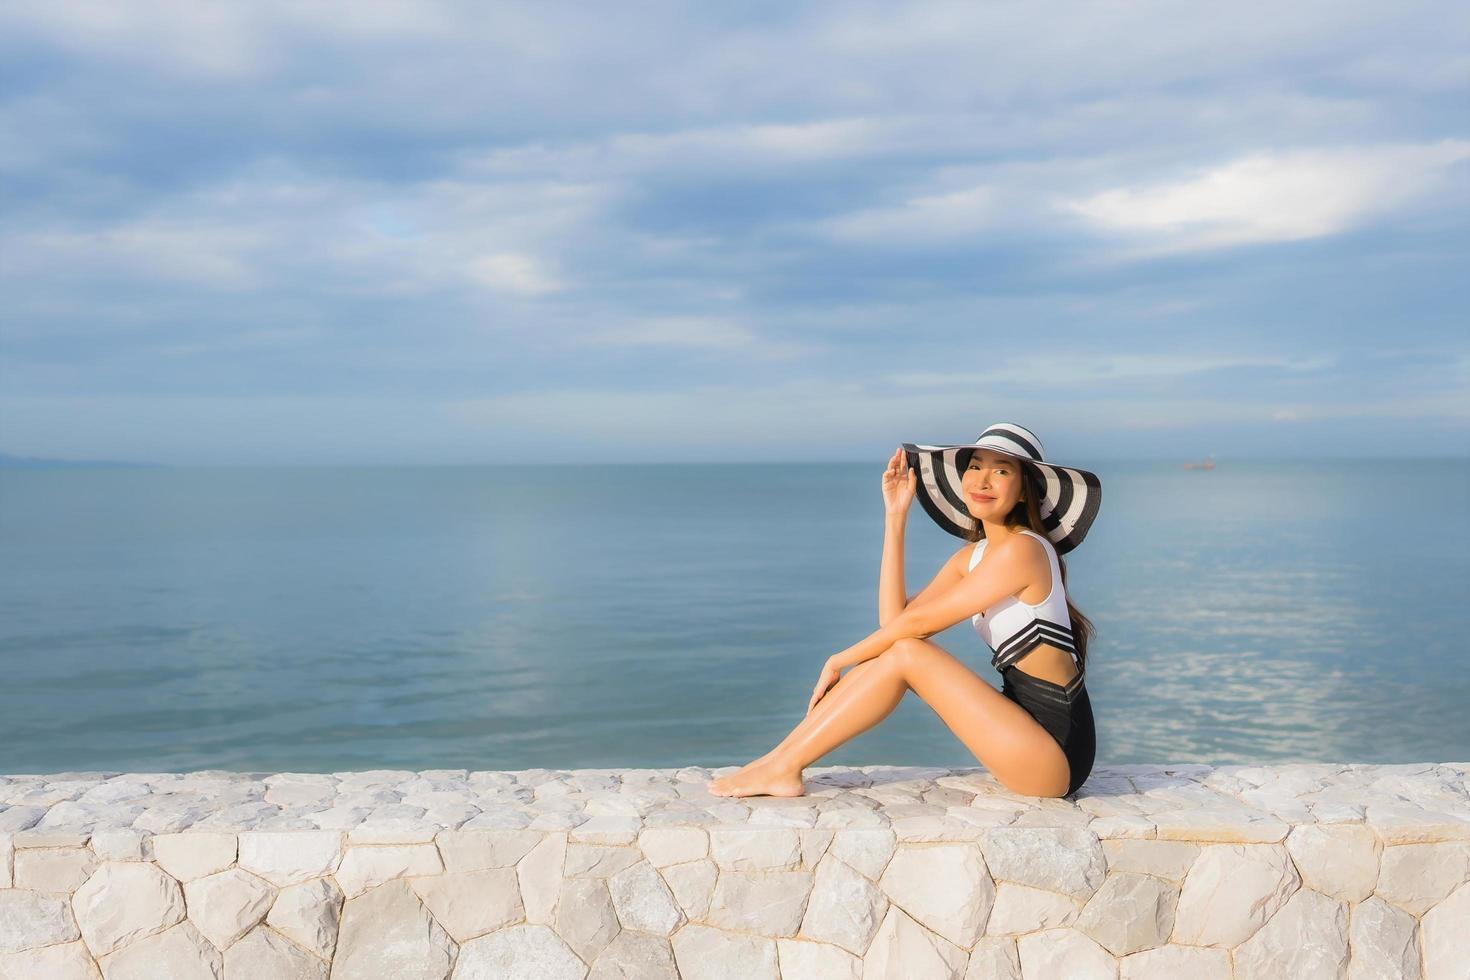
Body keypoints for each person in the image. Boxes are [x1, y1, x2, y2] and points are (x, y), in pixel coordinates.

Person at [707, 422, 1102, 800]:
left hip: (1055, 752)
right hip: (1018, 734)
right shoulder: (972, 557)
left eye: (1001, 471)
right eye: (975, 467)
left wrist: (839, 659)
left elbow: (919, 625)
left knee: (908, 652)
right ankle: (778, 762)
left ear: (1022, 491)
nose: (982, 481)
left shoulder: (1025, 549)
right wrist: (895, 517)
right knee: (902, 648)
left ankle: (783, 766)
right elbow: (895, 623)